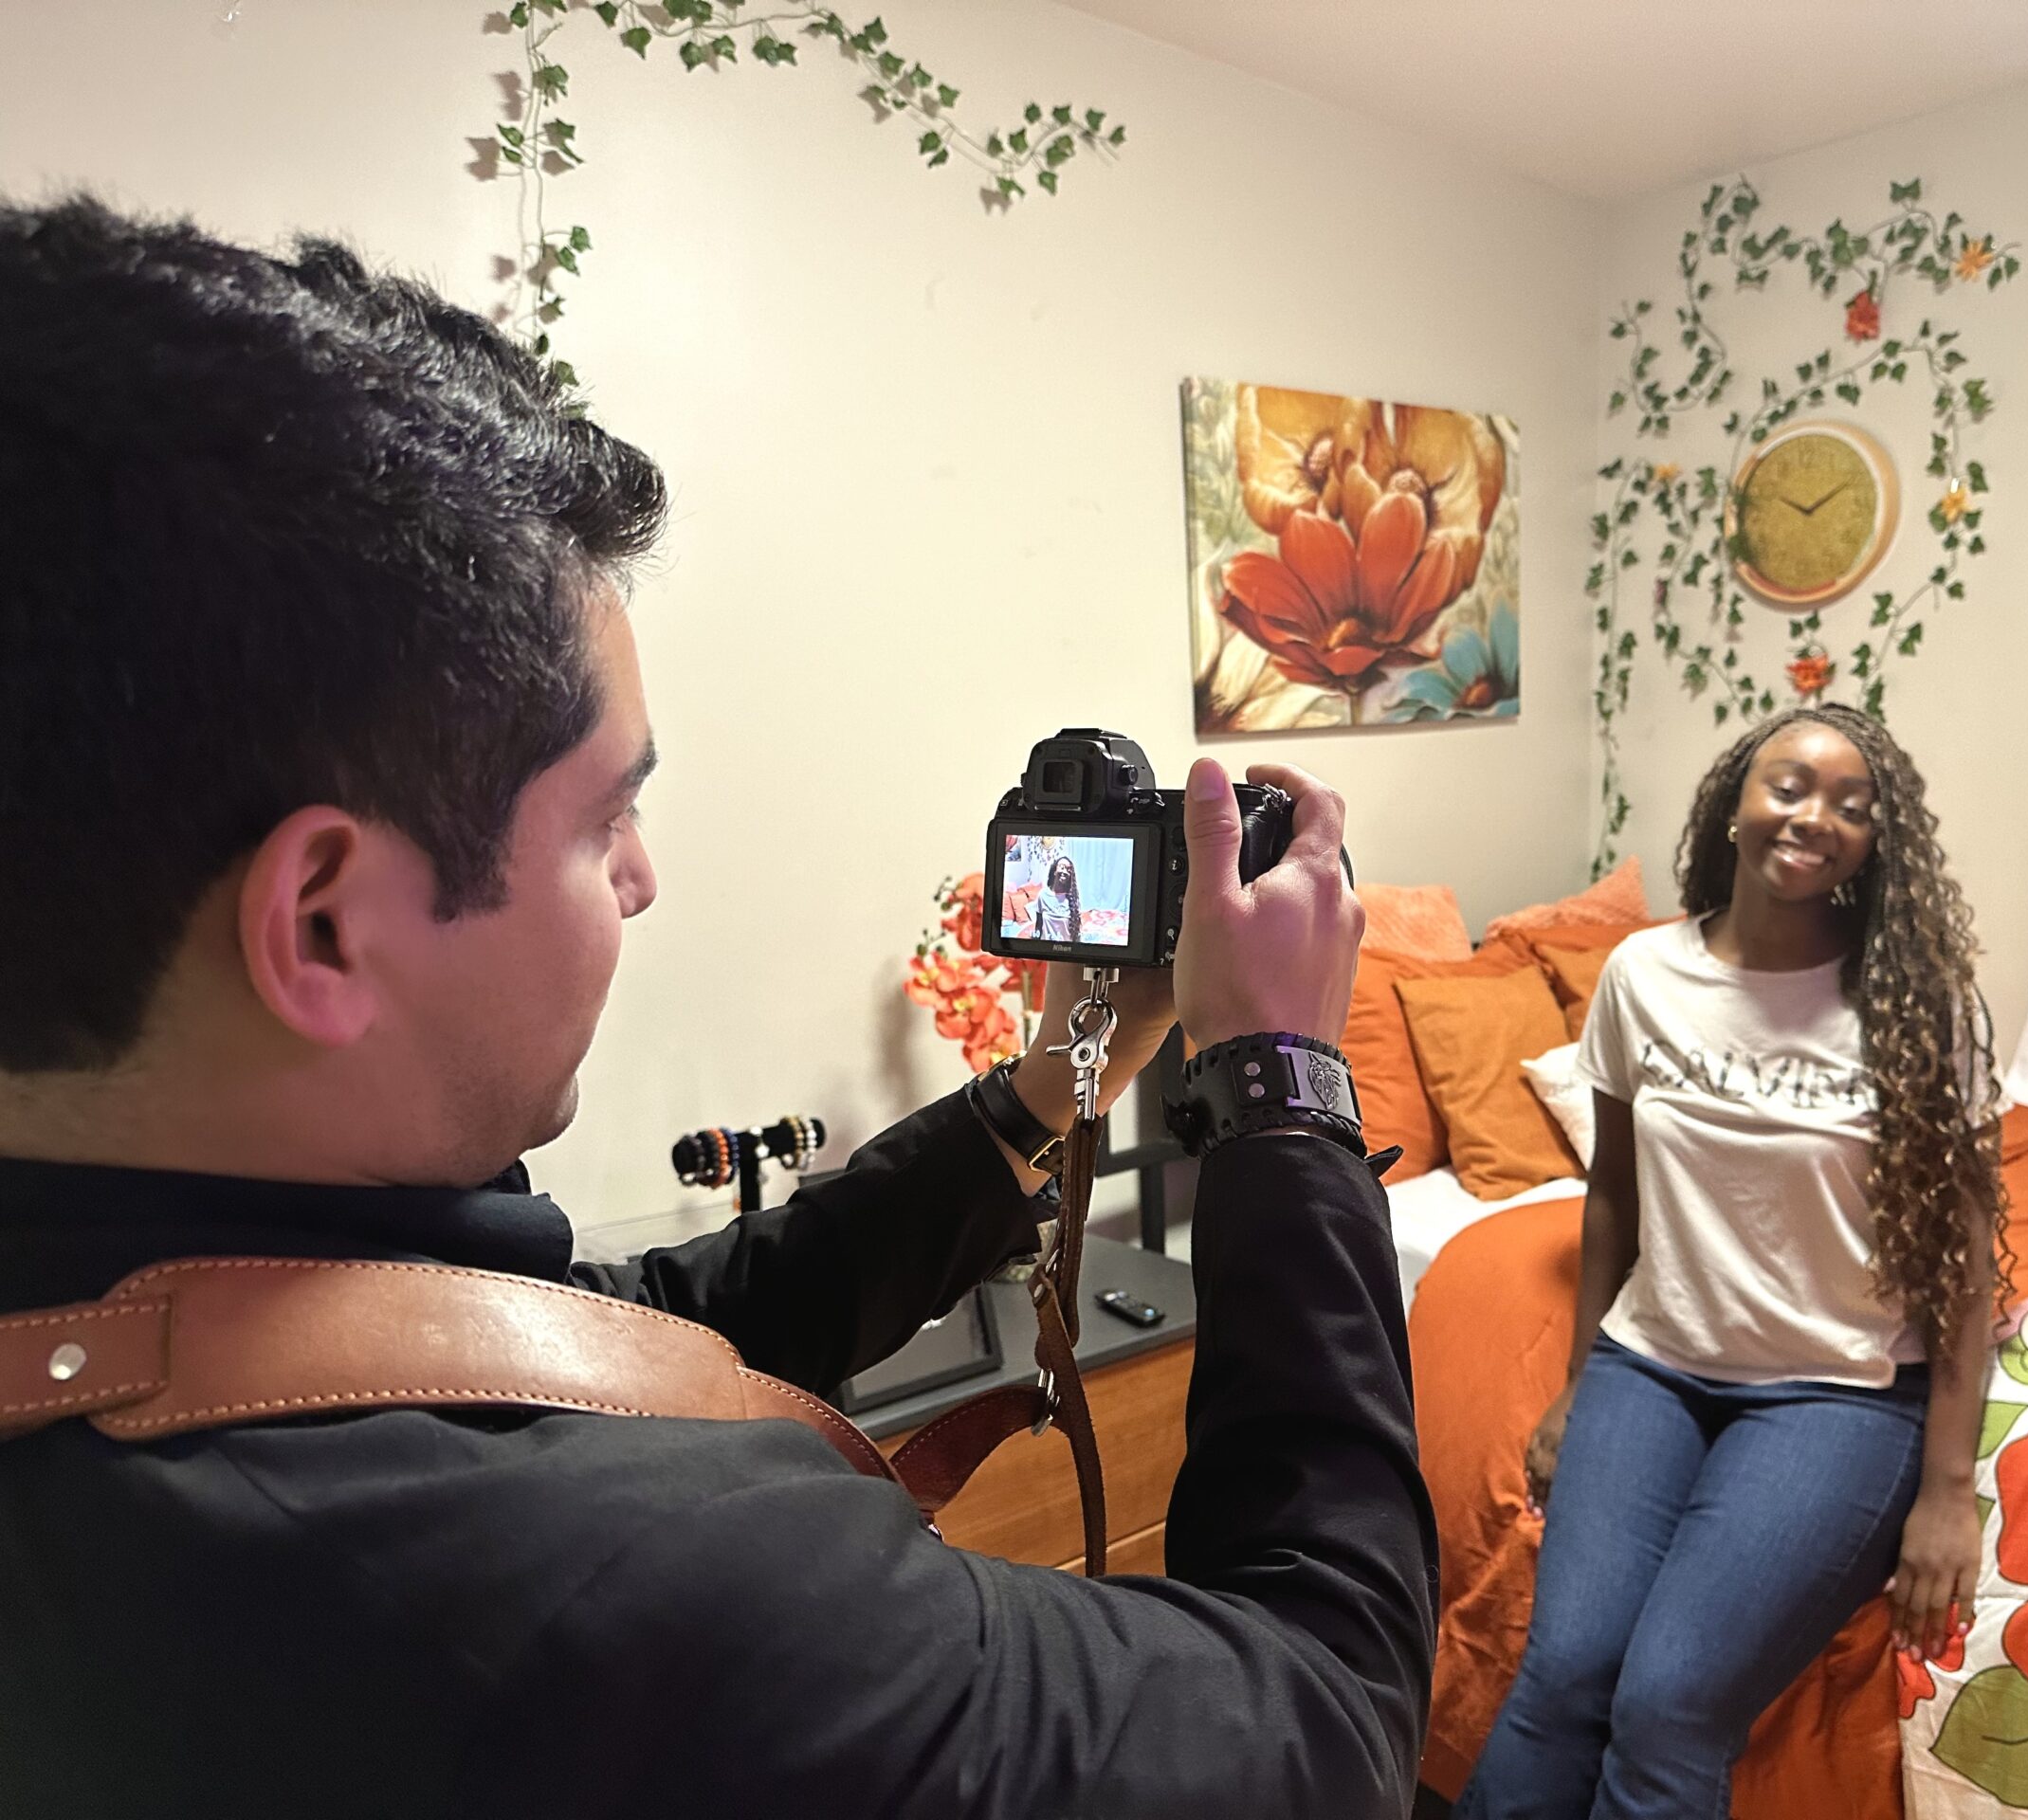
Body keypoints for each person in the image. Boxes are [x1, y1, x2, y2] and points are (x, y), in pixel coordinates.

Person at [0, 197, 1434, 1817]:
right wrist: (1286, 1084)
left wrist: (1050, 1085)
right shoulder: (634, 1584)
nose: (641, 879)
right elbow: (1322, 1711)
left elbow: (618, 1335)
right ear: (324, 922)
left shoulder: (194, 1322)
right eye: (605, 817)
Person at [1458, 704, 2007, 1820]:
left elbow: (1959, 1262)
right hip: (1651, 1370)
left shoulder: (1913, 1008)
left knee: (1667, 1705)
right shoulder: (1641, 975)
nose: (1815, 819)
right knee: (1561, 1679)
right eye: (1790, 786)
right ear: (1735, 801)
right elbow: (1611, 1193)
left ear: (1878, 843)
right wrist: (1576, 1385)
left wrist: (1948, 1490)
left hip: (1837, 1397)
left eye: (1855, 807)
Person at [1032, 851, 1082, 941]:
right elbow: (1038, 926)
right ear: (1055, 871)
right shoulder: (1043, 895)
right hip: (1046, 950)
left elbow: (1076, 934)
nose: (1064, 872)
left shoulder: (1072, 899)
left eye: (1068, 870)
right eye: (1062, 867)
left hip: (1066, 950)